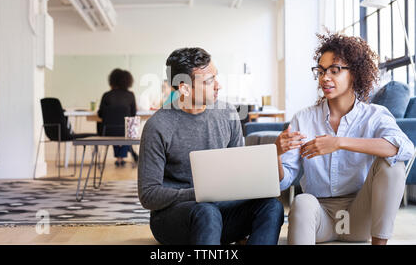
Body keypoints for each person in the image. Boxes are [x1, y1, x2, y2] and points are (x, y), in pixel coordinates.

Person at [276, 33, 414, 245]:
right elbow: (285, 180)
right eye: (321, 71)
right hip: (319, 216)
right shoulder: (303, 118)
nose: (325, 78)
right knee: (302, 201)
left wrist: (339, 142)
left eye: (335, 70)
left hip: (359, 216)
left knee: (392, 165)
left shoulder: (375, 115)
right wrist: (276, 153)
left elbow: (404, 148)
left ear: (355, 74)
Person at [138, 47, 284, 245]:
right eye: (209, 81)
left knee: (272, 207)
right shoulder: (158, 126)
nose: (218, 86)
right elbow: (149, 195)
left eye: (216, 77)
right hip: (175, 219)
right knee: (206, 211)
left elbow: (239, 171)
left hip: (221, 212)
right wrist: (202, 193)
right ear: (184, 88)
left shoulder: (228, 114)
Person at [98, 68, 138, 167]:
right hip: (126, 131)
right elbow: (133, 114)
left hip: (108, 132)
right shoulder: (130, 95)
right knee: (126, 128)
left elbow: (100, 114)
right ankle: (122, 157)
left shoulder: (107, 95)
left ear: (112, 80)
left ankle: (119, 158)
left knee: (113, 128)